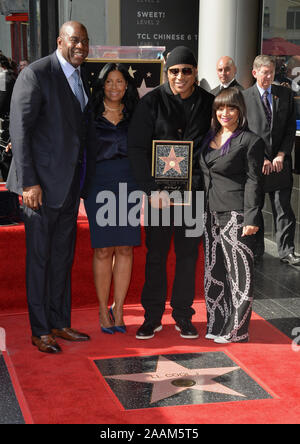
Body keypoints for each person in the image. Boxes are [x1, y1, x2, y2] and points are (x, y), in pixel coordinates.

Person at [6, 21, 96, 353]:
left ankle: (59, 322)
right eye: (75, 41)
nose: (81, 47)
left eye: (85, 42)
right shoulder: (37, 74)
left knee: (62, 258)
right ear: (60, 41)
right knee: (40, 259)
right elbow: (21, 130)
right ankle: (40, 329)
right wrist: (29, 182)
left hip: (69, 186)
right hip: (39, 188)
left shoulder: (80, 76)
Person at [128, 46, 214, 340]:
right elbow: (137, 149)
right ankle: (152, 317)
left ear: (195, 72)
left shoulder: (210, 103)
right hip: (159, 198)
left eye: (186, 71)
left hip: (195, 195)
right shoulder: (150, 103)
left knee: (188, 256)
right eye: (174, 71)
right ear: (167, 73)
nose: (180, 76)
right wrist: (151, 191)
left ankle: (183, 315)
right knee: (156, 256)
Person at [200, 87, 264, 343]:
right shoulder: (209, 137)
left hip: (236, 214)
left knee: (239, 274)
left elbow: (254, 181)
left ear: (240, 111)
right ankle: (217, 322)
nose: (225, 113)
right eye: (220, 108)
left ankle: (238, 330)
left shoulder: (250, 141)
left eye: (231, 108)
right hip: (210, 213)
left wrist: (251, 218)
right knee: (214, 272)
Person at [84, 63, 140, 334]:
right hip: (99, 184)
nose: (114, 87)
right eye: (109, 82)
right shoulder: (90, 115)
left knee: (126, 248)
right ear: (102, 85)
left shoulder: (136, 115)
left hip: (129, 184)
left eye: (119, 82)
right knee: (104, 249)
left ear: (127, 86)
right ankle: (101, 308)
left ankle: (118, 309)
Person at [243, 55, 300, 266]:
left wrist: (281, 154)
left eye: (271, 72)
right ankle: (256, 252)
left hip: (280, 164)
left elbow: (289, 129)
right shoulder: (244, 97)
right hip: (257, 165)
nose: (268, 76)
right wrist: (262, 157)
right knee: (255, 208)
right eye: (265, 72)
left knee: (283, 209)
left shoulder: (284, 94)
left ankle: (287, 252)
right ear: (255, 72)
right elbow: (244, 133)